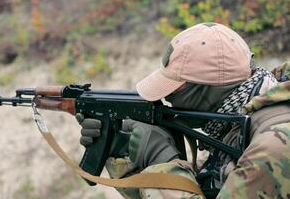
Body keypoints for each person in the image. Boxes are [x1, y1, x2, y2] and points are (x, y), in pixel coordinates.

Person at [76, 22, 290, 198]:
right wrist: (123, 149)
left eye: (176, 89)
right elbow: (206, 187)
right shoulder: (239, 131)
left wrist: (162, 159)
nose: (167, 97)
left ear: (210, 87)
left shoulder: (274, 146)